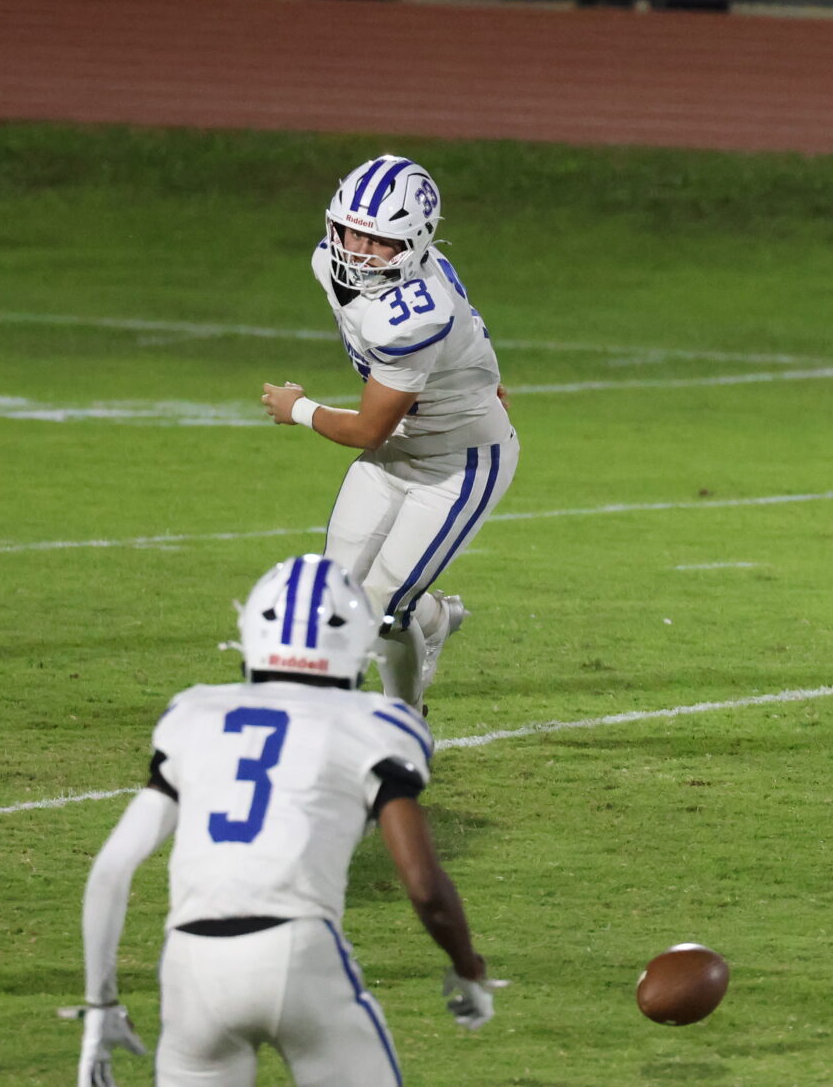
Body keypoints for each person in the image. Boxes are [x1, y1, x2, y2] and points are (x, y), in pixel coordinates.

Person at [69, 557, 495, 1087]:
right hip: (298, 953)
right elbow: (425, 887)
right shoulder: (375, 724)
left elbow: (110, 871)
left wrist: (100, 1006)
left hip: (190, 967)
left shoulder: (195, 712)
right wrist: (466, 965)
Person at [255, 156, 518, 712]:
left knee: (381, 612)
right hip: (402, 445)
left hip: (457, 464)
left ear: (415, 242)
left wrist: (298, 408)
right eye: (351, 232)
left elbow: (368, 429)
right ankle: (436, 619)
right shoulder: (329, 261)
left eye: (378, 241)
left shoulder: (414, 315)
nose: (357, 250)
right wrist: (480, 378)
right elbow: (470, 327)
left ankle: (403, 721)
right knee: (337, 596)